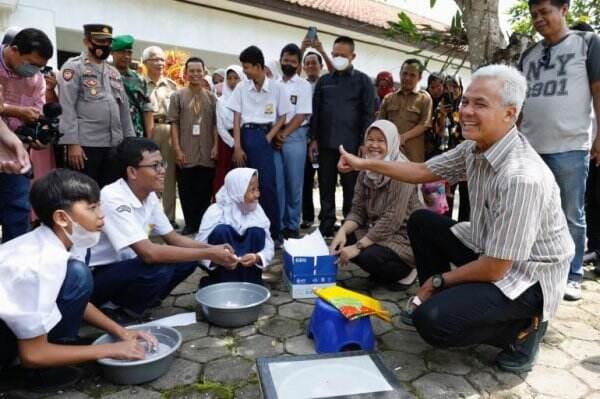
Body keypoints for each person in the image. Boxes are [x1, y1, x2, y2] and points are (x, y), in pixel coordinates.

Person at [338, 64, 574, 373]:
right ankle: (440, 299)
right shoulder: (472, 149)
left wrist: (439, 280)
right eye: (466, 101)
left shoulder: (521, 176)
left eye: (480, 104)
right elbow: (422, 172)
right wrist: (364, 162)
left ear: (510, 113)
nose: (466, 111)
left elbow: (497, 266)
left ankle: (523, 331)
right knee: (423, 221)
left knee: (435, 323)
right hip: (490, 247)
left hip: (529, 276)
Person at [0, 169, 156, 391]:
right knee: (78, 274)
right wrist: (110, 350)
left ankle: (57, 350)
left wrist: (121, 332)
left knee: (77, 275)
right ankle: (31, 374)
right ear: (62, 218)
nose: (102, 215)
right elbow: (33, 354)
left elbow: (80, 302)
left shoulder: (57, 241)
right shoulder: (41, 264)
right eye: (92, 208)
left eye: (99, 205)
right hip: (15, 347)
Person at [88, 137, 237, 324]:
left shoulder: (149, 196)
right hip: (98, 276)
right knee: (160, 266)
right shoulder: (113, 198)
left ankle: (143, 299)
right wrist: (210, 253)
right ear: (132, 171)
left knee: (188, 259)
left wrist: (213, 250)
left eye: (162, 164)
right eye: (155, 166)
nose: (162, 170)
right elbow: (149, 254)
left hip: (124, 268)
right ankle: (118, 310)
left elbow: (174, 238)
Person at [518, 0, 600, 301]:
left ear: (564, 9)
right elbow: (519, 102)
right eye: (534, 15)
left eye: (545, 12)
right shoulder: (529, 54)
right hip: (530, 148)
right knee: (529, 213)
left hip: (570, 147)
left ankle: (572, 274)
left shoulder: (587, 44)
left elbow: (598, 91)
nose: (539, 19)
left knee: (570, 214)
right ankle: (533, 269)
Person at [330, 120, 421, 290]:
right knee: (343, 239)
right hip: (377, 229)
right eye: (370, 140)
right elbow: (357, 210)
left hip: (402, 236)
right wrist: (341, 232)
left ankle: (410, 269)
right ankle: (381, 268)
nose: (374, 145)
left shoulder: (401, 171)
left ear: (392, 143)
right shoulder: (366, 168)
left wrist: (358, 247)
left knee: (367, 256)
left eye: (381, 141)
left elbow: (392, 220)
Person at [309, 36, 376, 238]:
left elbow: (368, 113)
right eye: (335, 54)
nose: (338, 58)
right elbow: (316, 112)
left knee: (352, 189)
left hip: (352, 146)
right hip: (326, 144)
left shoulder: (363, 81)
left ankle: (350, 226)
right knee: (326, 186)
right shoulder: (324, 81)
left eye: (343, 55)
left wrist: (365, 143)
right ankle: (326, 223)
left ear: (353, 56)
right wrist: (313, 139)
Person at [228, 45, 291, 243]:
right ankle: (245, 231)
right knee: (243, 186)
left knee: (266, 185)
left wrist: (269, 136)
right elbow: (236, 118)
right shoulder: (241, 87)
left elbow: (283, 115)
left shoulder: (277, 87)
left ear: (258, 66)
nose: (244, 72)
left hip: (264, 136)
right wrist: (237, 146)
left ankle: (273, 233)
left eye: (247, 67)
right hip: (245, 135)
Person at [58, 24, 134, 188]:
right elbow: (66, 106)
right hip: (86, 146)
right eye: (100, 40)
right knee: (85, 193)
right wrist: (72, 143)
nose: (105, 45)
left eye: (108, 41)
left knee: (110, 194)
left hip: (114, 144)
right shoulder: (73, 67)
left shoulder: (113, 72)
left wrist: (130, 142)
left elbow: (124, 110)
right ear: (87, 41)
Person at [0, 28, 52, 242]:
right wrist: (17, 111)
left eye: (40, 66)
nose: (35, 71)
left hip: (16, 152)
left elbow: (37, 112)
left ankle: (15, 262)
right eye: (31, 63)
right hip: (8, 147)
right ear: (13, 50)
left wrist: (37, 135)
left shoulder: (36, 79)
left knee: (18, 209)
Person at [196, 168, 274, 287]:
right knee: (221, 230)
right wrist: (218, 259)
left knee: (257, 232)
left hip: (250, 271)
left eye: (257, 188)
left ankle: (250, 282)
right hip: (222, 270)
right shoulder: (215, 211)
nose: (257, 194)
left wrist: (257, 257)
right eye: (252, 190)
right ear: (238, 190)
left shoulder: (257, 210)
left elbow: (269, 244)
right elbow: (200, 246)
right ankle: (222, 283)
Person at [168, 57, 217, 235]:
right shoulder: (177, 96)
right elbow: (173, 123)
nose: (195, 74)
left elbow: (214, 125)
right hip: (186, 148)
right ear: (186, 73)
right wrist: (177, 149)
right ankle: (190, 224)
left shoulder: (212, 98)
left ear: (204, 72)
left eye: (199, 71)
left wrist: (215, 146)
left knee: (204, 189)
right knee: (186, 189)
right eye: (192, 71)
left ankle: (202, 224)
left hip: (206, 149)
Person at [274, 43, 313, 239]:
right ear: (280, 60)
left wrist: (284, 134)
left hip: (295, 135)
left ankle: (292, 225)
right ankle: (278, 225)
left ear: (298, 65)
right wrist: (276, 134)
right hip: (275, 135)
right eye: (285, 60)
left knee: (293, 184)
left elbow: (302, 114)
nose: (288, 64)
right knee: (278, 183)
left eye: (293, 61)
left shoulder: (303, 85)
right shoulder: (274, 83)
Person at [142, 46, 178, 227]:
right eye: (155, 59)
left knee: (169, 175)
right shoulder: (140, 83)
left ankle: (169, 218)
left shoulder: (172, 86)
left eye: (162, 59)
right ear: (145, 62)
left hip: (169, 129)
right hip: (149, 130)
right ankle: (150, 220)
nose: (160, 63)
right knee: (149, 174)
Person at [379, 59, 432, 163]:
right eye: (405, 74)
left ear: (419, 77)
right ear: (400, 74)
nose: (407, 78)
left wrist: (403, 137)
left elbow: (424, 124)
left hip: (412, 156)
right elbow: (380, 124)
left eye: (412, 75)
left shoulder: (424, 99)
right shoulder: (388, 98)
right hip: (389, 153)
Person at [111, 35, 154, 138]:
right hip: (110, 134)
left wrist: (149, 139)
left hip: (135, 134)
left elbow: (147, 110)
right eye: (122, 52)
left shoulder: (139, 79)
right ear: (112, 53)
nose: (126, 56)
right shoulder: (104, 75)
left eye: (129, 53)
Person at [213, 65, 245, 197]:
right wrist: (233, 144)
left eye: (236, 78)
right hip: (225, 141)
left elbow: (245, 120)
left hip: (243, 137)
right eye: (229, 78)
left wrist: (239, 144)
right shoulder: (221, 101)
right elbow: (220, 127)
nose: (233, 81)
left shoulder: (246, 98)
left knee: (242, 174)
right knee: (224, 173)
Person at [300, 51, 323, 230]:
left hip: (325, 140)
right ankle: (307, 216)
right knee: (306, 179)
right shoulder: (301, 85)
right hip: (305, 139)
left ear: (320, 66)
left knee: (325, 179)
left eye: (314, 63)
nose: (310, 66)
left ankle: (326, 217)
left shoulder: (327, 84)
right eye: (307, 63)